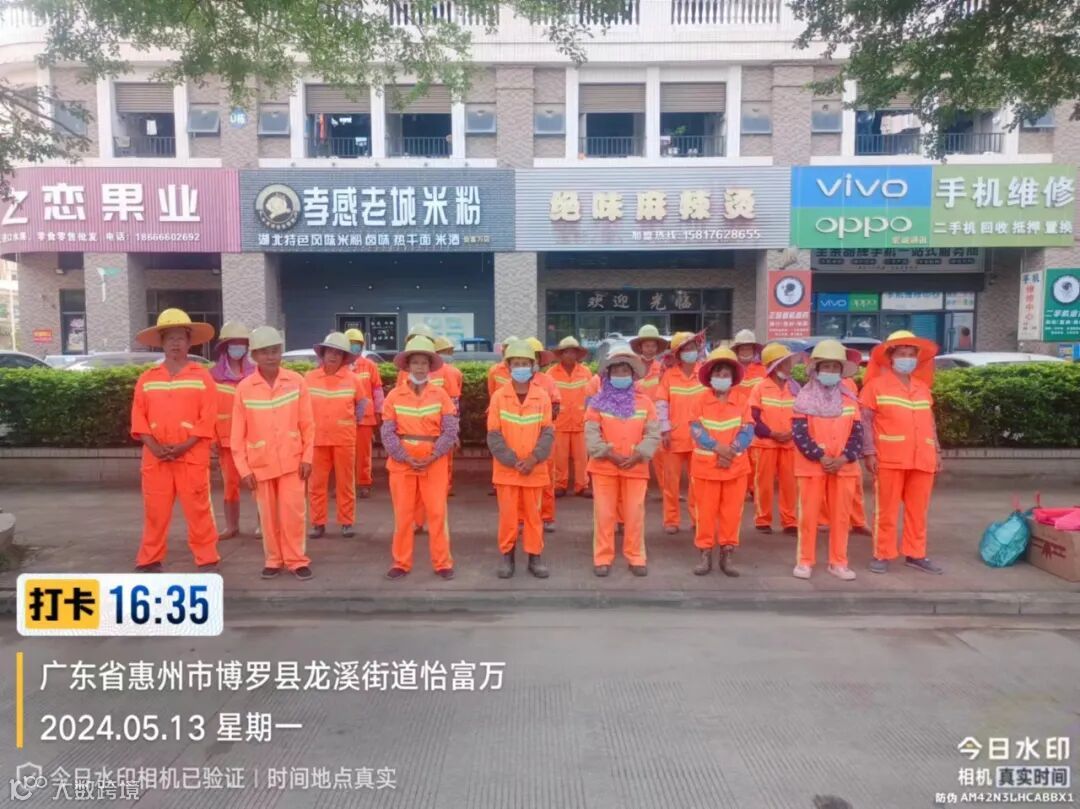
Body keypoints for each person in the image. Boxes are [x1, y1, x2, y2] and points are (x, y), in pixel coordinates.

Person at [130, 309, 220, 573]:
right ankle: (149, 559)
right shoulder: (147, 378)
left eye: (180, 337)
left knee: (198, 509)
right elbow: (138, 416)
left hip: (191, 456)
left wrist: (185, 445)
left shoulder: (202, 376)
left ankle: (207, 558)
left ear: (189, 342)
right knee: (155, 512)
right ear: (162, 342)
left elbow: (208, 417)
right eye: (170, 338)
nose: (175, 343)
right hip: (155, 458)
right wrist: (154, 446)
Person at [231, 326, 316, 580]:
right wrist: (243, 469)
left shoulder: (296, 382)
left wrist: (307, 457)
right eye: (264, 352)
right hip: (260, 463)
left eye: (275, 351)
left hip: (293, 461)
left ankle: (296, 560)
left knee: (294, 513)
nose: (270, 356)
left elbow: (308, 424)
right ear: (254, 356)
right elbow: (237, 434)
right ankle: (273, 560)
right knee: (267, 516)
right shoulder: (245, 388)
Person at [860, 330, 943, 575]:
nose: (907, 359)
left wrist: (937, 451)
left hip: (923, 457)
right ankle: (882, 553)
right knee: (886, 510)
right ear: (890, 358)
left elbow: (930, 422)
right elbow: (865, 421)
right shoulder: (875, 386)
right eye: (902, 354)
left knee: (918, 511)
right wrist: (869, 452)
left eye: (911, 354)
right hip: (889, 457)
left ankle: (915, 553)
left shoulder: (922, 387)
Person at [381, 336, 459, 580]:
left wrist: (434, 454)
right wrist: (404, 456)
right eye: (415, 362)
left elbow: (450, 430)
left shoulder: (441, 395)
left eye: (424, 363)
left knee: (437, 514)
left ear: (430, 366)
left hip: (434, 463)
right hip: (401, 465)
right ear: (407, 366)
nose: (419, 367)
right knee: (403, 516)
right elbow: (387, 432)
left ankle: (442, 563)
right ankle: (400, 563)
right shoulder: (394, 396)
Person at [585, 341, 661, 577]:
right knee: (604, 514)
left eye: (625, 370)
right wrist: (610, 453)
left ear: (633, 374)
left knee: (634, 514)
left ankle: (636, 556)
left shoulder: (645, 403)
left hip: (636, 467)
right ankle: (602, 557)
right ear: (608, 374)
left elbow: (653, 433)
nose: (621, 374)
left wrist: (639, 454)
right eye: (616, 370)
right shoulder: (597, 402)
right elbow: (591, 434)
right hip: (604, 466)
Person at [791, 340, 864, 581]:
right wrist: (820, 456)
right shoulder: (803, 398)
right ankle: (805, 561)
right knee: (808, 516)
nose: (830, 372)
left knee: (841, 517)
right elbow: (800, 434)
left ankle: (838, 562)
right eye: (826, 367)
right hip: (811, 467)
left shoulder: (850, 400)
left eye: (835, 367)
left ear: (841, 372)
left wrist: (843, 458)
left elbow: (858, 434)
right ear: (816, 369)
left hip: (844, 467)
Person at [487, 339, 555, 579]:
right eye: (516, 363)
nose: (521, 367)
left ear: (533, 366)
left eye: (525, 363)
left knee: (534, 517)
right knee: (508, 518)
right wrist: (512, 460)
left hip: (534, 470)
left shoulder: (542, 397)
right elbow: (493, 433)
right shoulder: (499, 397)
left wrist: (533, 459)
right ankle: (507, 557)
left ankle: (535, 557)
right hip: (507, 470)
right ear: (508, 367)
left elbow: (548, 432)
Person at [687, 347, 754, 577]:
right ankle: (705, 554)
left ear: (733, 377)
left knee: (732, 514)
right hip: (706, 468)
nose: (721, 378)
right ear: (710, 376)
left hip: (735, 467)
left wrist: (731, 452)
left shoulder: (742, 401)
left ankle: (727, 554)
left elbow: (748, 430)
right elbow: (696, 430)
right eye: (718, 373)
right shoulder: (699, 400)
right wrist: (719, 449)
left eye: (726, 374)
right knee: (705, 513)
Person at [306, 332, 372, 539]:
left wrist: (348, 422)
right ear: (323, 354)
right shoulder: (309, 378)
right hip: (317, 439)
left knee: (345, 482)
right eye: (330, 352)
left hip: (344, 438)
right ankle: (318, 523)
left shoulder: (353, 379)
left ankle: (346, 522)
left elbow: (361, 405)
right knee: (316, 484)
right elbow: (302, 408)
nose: (333, 356)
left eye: (338, 353)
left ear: (344, 357)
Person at [747, 342, 800, 535]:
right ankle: (763, 519)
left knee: (790, 484)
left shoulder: (794, 388)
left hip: (789, 444)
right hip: (765, 444)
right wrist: (772, 434)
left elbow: (803, 416)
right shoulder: (759, 388)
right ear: (773, 365)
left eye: (788, 362)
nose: (789, 366)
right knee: (763, 483)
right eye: (784, 363)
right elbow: (753, 417)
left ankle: (790, 520)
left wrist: (792, 433)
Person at [210, 321, 256, 541]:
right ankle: (231, 526)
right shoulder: (213, 375)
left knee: (260, 482)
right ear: (224, 347)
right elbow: (207, 410)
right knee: (230, 484)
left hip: (254, 439)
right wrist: (211, 437)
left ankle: (263, 525)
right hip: (226, 439)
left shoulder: (255, 373)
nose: (238, 347)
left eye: (242, 343)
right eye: (233, 343)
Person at [656, 331, 705, 534]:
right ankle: (671, 520)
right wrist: (665, 430)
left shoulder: (705, 373)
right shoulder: (669, 376)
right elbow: (661, 404)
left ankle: (698, 518)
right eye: (684, 349)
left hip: (701, 439)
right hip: (674, 437)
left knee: (698, 482)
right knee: (671, 483)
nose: (689, 352)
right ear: (677, 354)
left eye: (692, 348)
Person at [547, 336, 592, 498]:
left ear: (577, 354)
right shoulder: (551, 373)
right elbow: (548, 397)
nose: (570, 355)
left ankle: (582, 486)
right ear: (560, 354)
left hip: (581, 421)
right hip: (560, 421)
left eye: (573, 352)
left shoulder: (585, 372)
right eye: (566, 352)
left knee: (582, 457)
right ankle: (560, 485)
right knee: (559, 457)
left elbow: (591, 396)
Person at [630, 324, 671, 493]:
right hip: (636, 414)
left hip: (656, 415)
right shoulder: (631, 366)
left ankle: (666, 489)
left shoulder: (662, 367)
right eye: (646, 345)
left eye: (653, 346)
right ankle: (639, 488)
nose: (650, 349)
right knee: (638, 450)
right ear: (640, 347)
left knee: (660, 454)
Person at [527, 336, 562, 532]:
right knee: (522, 479)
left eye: (535, 357)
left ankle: (547, 516)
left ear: (539, 360)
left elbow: (556, 405)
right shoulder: (511, 383)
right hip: (519, 438)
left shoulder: (547, 380)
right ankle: (523, 517)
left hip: (545, 438)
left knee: (547, 478)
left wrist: (543, 418)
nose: (532, 361)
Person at [345, 328, 384, 499]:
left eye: (357, 344)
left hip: (365, 419)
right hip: (343, 418)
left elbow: (377, 390)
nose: (354, 347)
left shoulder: (369, 365)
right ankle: (345, 485)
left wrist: (379, 410)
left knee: (363, 454)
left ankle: (364, 483)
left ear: (362, 346)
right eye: (351, 344)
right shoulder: (339, 366)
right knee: (344, 455)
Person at [433, 336, 464, 495]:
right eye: (448, 351)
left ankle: (438, 487)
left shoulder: (426, 370)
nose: (450, 354)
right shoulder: (454, 372)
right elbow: (454, 402)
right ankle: (445, 487)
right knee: (446, 457)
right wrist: (455, 428)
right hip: (445, 420)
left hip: (429, 421)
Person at [731, 329, 767, 394]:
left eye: (748, 349)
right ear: (737, 351)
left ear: (754, 350)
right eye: (742, 349)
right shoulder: (731, 369)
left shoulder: (764, 368)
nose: (745, 352)